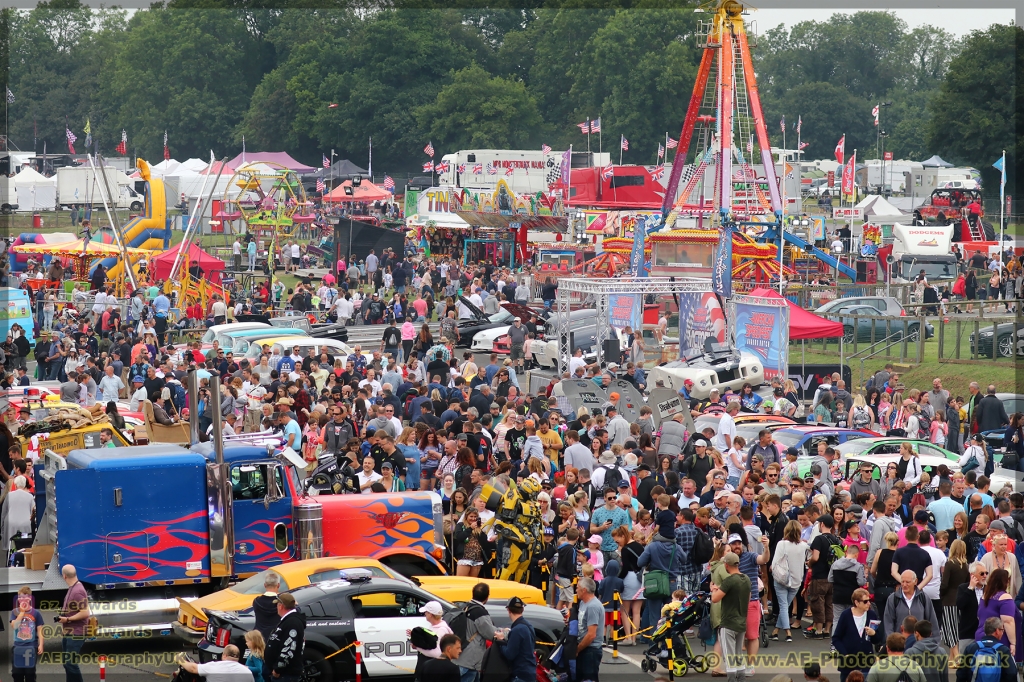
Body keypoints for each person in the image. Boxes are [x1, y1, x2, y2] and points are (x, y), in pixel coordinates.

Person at [711, 552, 752, 682]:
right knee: (738, 653)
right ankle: (741, 678)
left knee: (729, 655)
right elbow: (748, 597)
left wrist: (714, 589)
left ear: (726, 565)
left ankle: (732, 679)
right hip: (741, 622)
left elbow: (715, 599)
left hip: (728, 623)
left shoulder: (729, 581)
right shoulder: (746, 579)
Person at [832, 588, 882, 682]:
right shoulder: (846, 615)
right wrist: (845, 654)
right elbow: (836, 638)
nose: (869, 603)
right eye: (865, 601)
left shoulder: (871, 615)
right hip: (848, 663)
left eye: (869, 600)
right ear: (857, 602)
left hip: (866, 662)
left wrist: (874, 633)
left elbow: (877, 640)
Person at [771, 519, 809, 643]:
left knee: (783, 605)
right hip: (797, 580)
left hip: (782, 578)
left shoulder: (781, 544)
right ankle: (776, 631)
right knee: (785, 605)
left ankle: (787, 632)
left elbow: (775, 563)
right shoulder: (803, 546)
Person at [450, 582, 495, 682]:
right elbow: (490, 634)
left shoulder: (463, 606)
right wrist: (503, 632)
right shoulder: (480, 612)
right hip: (470, 659)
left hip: (459, 654)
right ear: (487, 597)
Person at [956, 617, 1016, 682]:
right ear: (997, 631)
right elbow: (1011, 674)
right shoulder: (1003, 650)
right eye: (1002, 630)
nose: (1002, 633)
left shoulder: (971, 648)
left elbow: (961, 674)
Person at [58, 565, 90, 682]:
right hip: (69, 631)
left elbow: (85, 613)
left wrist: (67, 620)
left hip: (77, 632)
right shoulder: (73, 587)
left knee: (70, 663)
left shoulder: (78, 591)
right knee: (67, 663)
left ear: (64, 576)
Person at [883, 570, 936, 639]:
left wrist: (934, 642)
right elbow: (888, 623)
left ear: (915, 581)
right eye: (902, 582)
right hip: (900, 644)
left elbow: (932, 621)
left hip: (920, 644)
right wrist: (892, 641)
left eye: (907, 582)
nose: (904, 585)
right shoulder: (892, 599)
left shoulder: (924, 598)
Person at [264, 593, 305, 682]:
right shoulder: (288, 620)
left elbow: (289, 648)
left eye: (277, 604)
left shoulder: (292, 623)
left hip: (285, 675)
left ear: (281, 606)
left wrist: (278, 669)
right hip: (284, 674)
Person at [10, 586, 44, 682]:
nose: (21, 599)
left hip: (31, 647)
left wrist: (41, 644)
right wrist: (21, 613)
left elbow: (40, 630)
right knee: (17, 674)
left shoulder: (36, 613)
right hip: (18, 647)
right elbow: (15, 626)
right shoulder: (14, 612)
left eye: (23, 597)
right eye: (19, 597)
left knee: (30, 674)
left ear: (29, 598)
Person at [575, 577, 604, 682]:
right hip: (585, 648)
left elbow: (591, 634)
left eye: (577, 588)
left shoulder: (593, 606)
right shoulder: (583, 603)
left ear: (584, 590)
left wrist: (577, 649)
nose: (576, 590)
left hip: (590, 651)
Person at [175, 645, 253, 682]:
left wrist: (179, 659)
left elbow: (193, 668)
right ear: (238, 657)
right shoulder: (248, 673)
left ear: (224, 655)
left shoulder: (213, 667)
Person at [252, 572, 282, 640]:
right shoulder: (281, 603)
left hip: (259, 639)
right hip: (275, 639)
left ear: (265, 585)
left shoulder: (256, 601)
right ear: (278, 585)